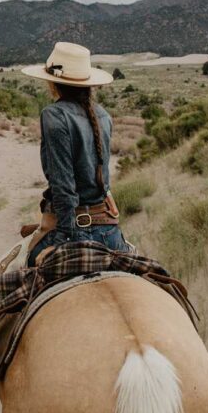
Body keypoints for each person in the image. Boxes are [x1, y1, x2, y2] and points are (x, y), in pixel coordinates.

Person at [21, 41, 133, 266]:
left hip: (74, 230)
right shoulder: (104, 116)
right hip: (109, 231)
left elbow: (63, 184)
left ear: (53, 84)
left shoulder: (54, 115)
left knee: (20, 274)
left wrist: (63, 235)